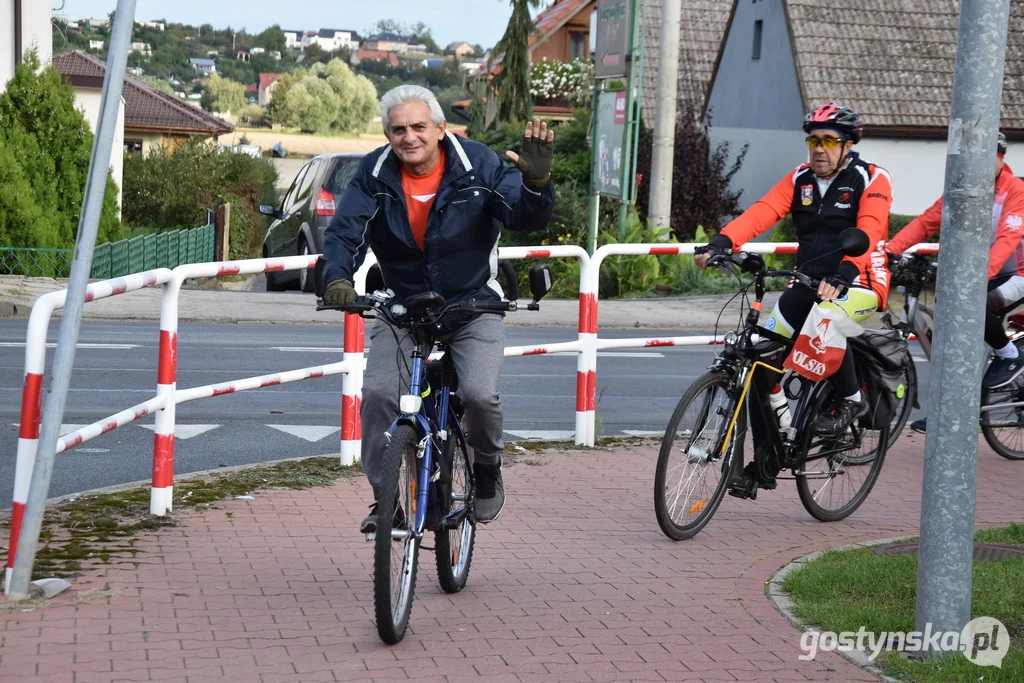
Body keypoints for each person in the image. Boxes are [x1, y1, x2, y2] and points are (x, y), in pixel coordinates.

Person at [320, 85, 556, 531]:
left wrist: (537, 183)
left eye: (418, 127)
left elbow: (525, 216)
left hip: (473, 306)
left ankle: (486, 470)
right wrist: (336, 276)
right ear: (388, 135)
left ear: (441, 128)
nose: (409, 137)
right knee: (378, 396)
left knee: (479, 396)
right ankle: (384, 497)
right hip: (404, 307)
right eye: (398, 130)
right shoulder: (373, 172)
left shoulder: (477, 164)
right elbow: (345, 231)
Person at [694, 102, 893, 498]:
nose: (818, 149)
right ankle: (772, 452)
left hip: (861, 281)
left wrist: (845, 272)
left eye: (828, 141)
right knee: (759, 355)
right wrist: (722, 242)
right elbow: (763, 211)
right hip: (808, 280)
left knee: (830, 318)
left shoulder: (871, 178)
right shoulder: (800, 178)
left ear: (848, 144)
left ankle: (851, 400)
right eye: (813, 141)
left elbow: (870, 227)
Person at [887, 132, 1024, 433]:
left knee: (978, 305)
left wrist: (978, 278)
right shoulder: (962, 190)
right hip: (981, 274)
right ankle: (950, 414)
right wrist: (890, 249)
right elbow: (927, 222)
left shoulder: (1015, 191)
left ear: (1001, 158)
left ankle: (1010, 354)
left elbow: (1008, 238)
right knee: (953, 340)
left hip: (1017, 274)